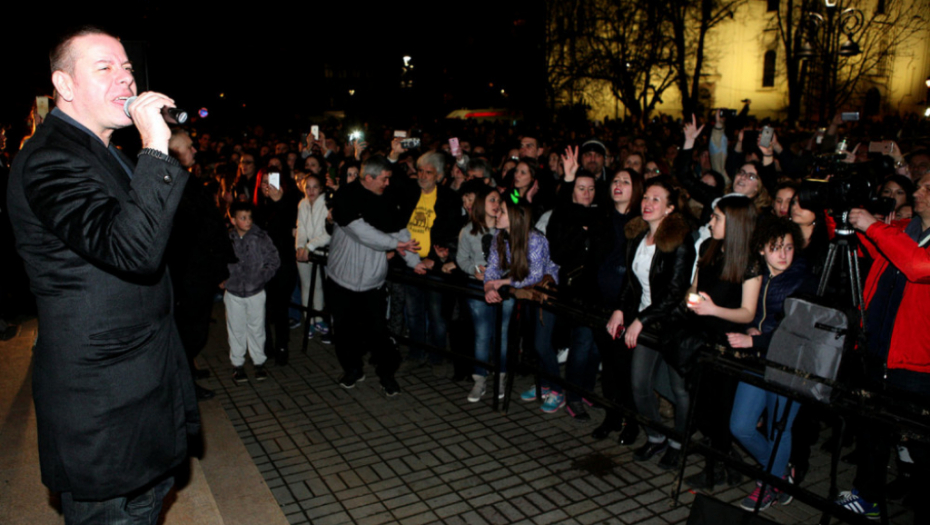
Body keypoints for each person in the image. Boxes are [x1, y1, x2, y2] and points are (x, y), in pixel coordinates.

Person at [6, 26, 198, 522]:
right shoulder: (51, 158)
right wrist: (157, 144)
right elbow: (133, 251)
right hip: (104, 412)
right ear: (64, 85)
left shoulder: (103, 150)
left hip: (141, 393)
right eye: (105, 68)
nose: (125, 81)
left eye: (128, 68)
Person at [835, 174, 930, 522]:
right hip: (879, 350)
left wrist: (874, 226)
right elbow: (871, 250)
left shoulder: (901, 234)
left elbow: (919, 266)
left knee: (920, 448)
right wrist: (840, 205)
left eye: (927, 188)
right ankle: (868, 497)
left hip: (917, 364)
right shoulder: (906, 228)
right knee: (872, 433)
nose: (917, 192)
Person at [606, 177, 696, 470]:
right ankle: (657, 436)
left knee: (679, 390)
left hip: (673, 326)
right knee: (639, 385)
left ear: (669, 209)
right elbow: (629, 282)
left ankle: (679, 443)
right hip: (644, 321)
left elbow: (673, 293)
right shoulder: (636, 236)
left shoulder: (680, 243)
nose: (647, 203)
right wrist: (620, 311)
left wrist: (641, 320)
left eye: (656, 199)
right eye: (645, 197)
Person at [727, 219, 812, 511]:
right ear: (762, 249)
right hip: (759, 362)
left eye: (788, 247)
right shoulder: (756, 273)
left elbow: (797, 328)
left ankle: (769, 483)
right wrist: (751, 327)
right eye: (775, 248)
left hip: (790, 364)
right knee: (740, 426)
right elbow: (750, 312)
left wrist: (755, 341)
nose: (783, 255)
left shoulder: (801, 277)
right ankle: (779, 474)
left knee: (780, 428)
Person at [685, 194, 762, 490]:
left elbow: (748, 312)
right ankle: (727, 459)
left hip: (727, 343)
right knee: (700, 406)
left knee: (719, 409)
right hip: (700, 336)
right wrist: (690, 300)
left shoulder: (749, 261)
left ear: (736, 224)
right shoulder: (707, 247)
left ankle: (716, 468)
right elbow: (695, 285)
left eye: (717, 217)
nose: (710, 221)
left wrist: (713, 309)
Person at [327, 155, 421, 396]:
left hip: (372, 282)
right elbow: (362, 232)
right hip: (342, 279)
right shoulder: (346, 197)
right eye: (384, 179)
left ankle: (387, 375)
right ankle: (352, 369)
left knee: (379, 333)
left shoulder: (387, 199)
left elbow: (400, 229)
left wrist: (414, 261)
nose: (387, 184)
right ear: (368, 178)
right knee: (345, 331)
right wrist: (394, 244)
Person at [166, 128, 235, 401]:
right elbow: (194, 233)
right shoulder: (173, 184)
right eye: (189, 146)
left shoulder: (185, 180)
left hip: (197, 271)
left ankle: (188, 371)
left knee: (194, 328)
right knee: (189, 330)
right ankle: (184, 386)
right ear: (173, 152)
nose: (195, 150)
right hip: (187, 274)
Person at [485, 198, 561, 412]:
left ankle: (558, 389)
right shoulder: (500, 237)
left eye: (501, 212)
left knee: (542, 345)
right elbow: (492, 267)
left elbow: (534, 274)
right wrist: (488, 287)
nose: (496, 214)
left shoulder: (535, 239)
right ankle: (544, 385)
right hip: (525, 295)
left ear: (515, 218)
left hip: (545, 295)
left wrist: (503, 282)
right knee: (533, 344)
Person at [224, 201, 280, 383]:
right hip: (233, 291)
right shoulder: (227, 239)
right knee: (236, 328)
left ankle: (258, 362)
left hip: (255, 291)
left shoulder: (260, 237)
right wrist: (222, 278)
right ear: (233, 220)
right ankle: (238, 364)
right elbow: (217, 259)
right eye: (242, 218)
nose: (247, 221)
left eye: (249, 217)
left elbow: (273, 259)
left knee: (256, 327)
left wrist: (261, 277)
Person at [456, 186, 503, 401]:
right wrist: (473, 271)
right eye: (492, 200)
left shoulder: (507, 229)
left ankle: (501, 377)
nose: (496, 204)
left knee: (503, 334)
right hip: (477, 289)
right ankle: (480, 380)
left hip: (504, 289)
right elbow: (462, 259)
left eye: (498, 200)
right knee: (482, 334)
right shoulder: (469, 231)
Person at [295, 172, 331, 336]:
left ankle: (318, 318)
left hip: (319, 251)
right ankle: (308, 320)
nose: (311, 191)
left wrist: (310, 247)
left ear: (321, 188)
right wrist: (300, 247)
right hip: (305, 251)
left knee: (318, 286)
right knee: (306, 286)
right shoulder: (302, 204)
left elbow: (327, 233)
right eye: (307, 187)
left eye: (315, 187)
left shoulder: (325, 204)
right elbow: (301, 227)